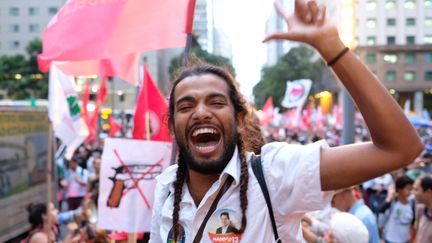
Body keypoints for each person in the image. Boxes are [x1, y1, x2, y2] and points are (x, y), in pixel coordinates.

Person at [149, 0, 423, 242]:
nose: (200, 113)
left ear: (241, 119)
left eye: (216, 102)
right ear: (173, 126)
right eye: (186, 106)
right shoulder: (166, 187)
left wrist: (331, 48)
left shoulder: (275, 174)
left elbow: (399, 148)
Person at [379, 176, 415, 243]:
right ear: (399, 189)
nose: (410, 192)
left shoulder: (412, 202)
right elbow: (380, 210)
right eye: (408, 189)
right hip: (390, 239)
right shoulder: (393, 202)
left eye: (411, 189)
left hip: (405, 240)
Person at [413, 176, 432, 243]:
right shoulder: (420, 209)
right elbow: (418, 234)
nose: (413, 193)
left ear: (428, 192)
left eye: (416, 190)